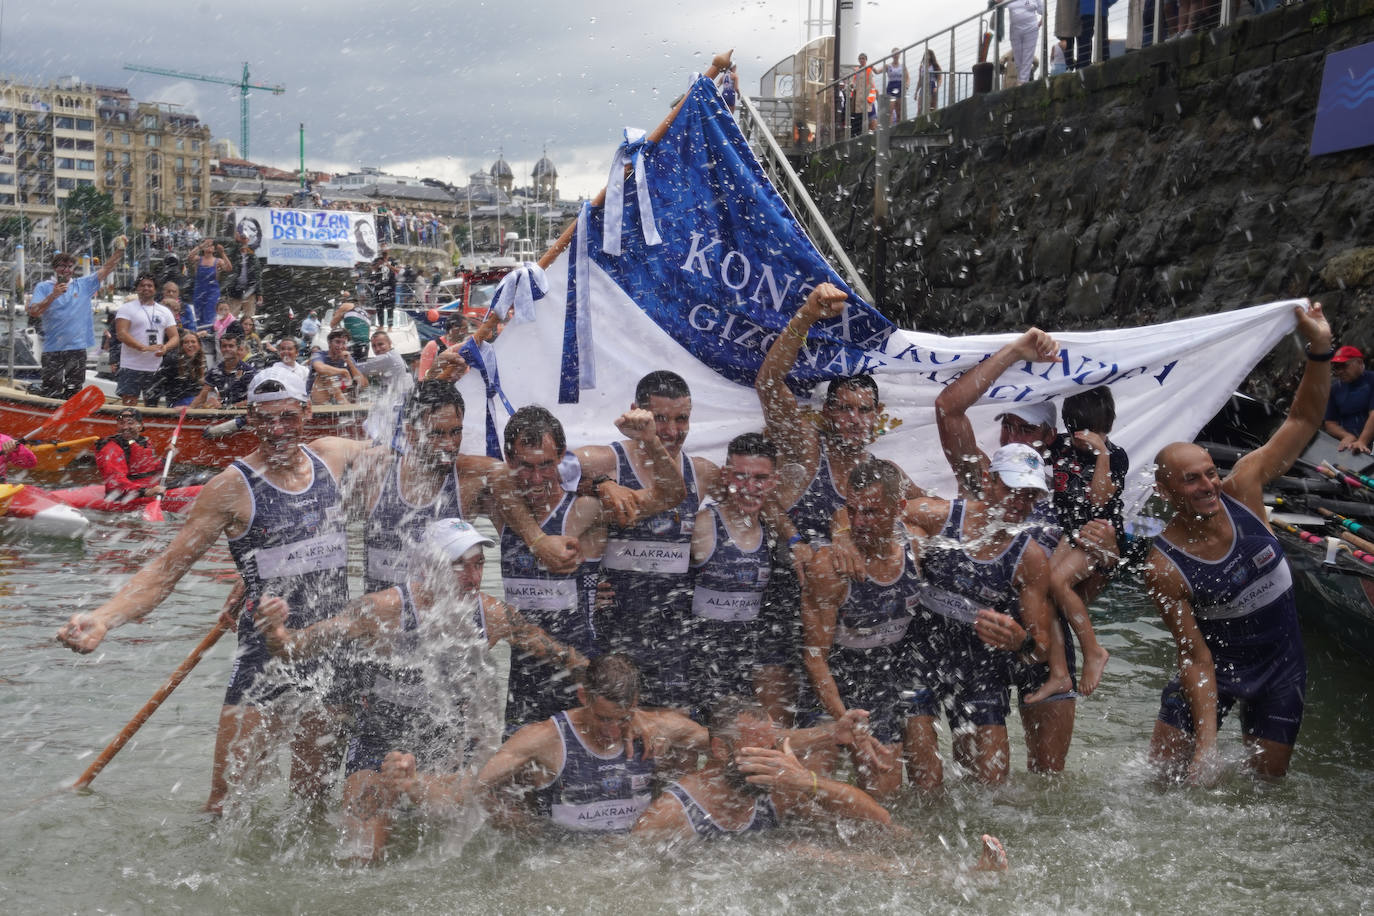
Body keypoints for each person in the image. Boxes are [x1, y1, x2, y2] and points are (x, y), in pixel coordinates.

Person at [57, 366, 368, 813]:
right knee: (226, 802)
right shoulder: (229, 488)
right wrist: (105, 617)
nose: (277, 430)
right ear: (249, 419)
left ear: (307, 411)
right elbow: (166, 570)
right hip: (264, 657)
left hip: (330, 647)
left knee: (313, 802)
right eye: (264, 419)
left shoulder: (333, 456)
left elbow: (404, 447)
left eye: (287, 417)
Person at [257, 517, 591, 863]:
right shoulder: (385, 610)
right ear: (429, 567)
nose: (473, 578)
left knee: (513, 840)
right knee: (360, 857)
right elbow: (298, 647)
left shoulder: (490, 614)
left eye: (479, 565)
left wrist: (597, 675)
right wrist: (275, 633)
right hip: (380, 746)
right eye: (459, 566)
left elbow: (554, 651)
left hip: (448, 752)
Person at [1145, 303, 1330, 786]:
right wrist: (1207, 747)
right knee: (1163, 783)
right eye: (1192, 480)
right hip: (1215, 668)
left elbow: (1305, 419)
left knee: (1266, 788)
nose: (1209, 485)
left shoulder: (1245, 487)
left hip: (1281, 666)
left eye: (1210, 471)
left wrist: (1319, 348)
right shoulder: (1164, 566)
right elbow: (1195, 657)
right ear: (1165, 492)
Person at [496, 404, 681, 732]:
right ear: (509, 460)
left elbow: (671, 495)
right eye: (525, 466)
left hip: (581, 673)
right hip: (523, 677)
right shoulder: (502, 509)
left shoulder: (587, 510)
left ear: (562, 457)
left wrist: (651, 441)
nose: (537, 479)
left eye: (546, 465)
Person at [900, 444, 1059, 783]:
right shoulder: (939, 515)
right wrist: (910, 538)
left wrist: (1021, 641)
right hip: (919, 651)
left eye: (1030, 494)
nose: (1020, 501)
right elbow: (872, 512)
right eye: (1011, 489)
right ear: (989, 482)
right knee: (926, 781)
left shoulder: (1029, 559)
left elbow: (1041, 647)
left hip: (980, 661)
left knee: (991, 785)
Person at [801, 459, 934, 796]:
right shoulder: (830, 567)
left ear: (899, 508)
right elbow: (815, 658)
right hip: (839, 676)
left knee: (908, 791)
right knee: (827, 797)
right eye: (853, 511)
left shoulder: (917, 548)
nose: (859, 522)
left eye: (872, 512)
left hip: (891, 672)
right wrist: (847, 722)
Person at [575, 370, 707, 709]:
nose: (672, 431)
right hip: (615, 630)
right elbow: (549, 470)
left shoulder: (702, 473)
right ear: (637, 412)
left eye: (682, 419)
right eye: (659, 419)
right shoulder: (607, 461)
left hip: (675, 635)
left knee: (673, 738)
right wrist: (604, 483)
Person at [474, 653, 705, 836]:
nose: (612, 732)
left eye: (622, 718)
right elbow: (474, 785)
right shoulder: (544, 737)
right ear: (584, 696)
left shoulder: (660, 726)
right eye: (603, 719)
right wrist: (523, 828)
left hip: (631, 851)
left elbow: (721, 747)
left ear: (635, 702)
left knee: (684, 752)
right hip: (562, 855)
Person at [631, 697, 892, 839]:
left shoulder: (776, 790)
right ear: (722, 750)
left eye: (772, 747)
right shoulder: (671, 813)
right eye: (758, 750)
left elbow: (880, 823)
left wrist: (808, 781)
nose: (772, 758)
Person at [688, 433, 794, 724]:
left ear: (773, 481)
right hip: (700, 658)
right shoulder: (701, 527)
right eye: (741, 477)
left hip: (749, 657)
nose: (749, 488)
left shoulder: (775, 533)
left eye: (760, 478)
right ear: (725, 476)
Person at [1046, 386, 1128, 697]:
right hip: (1070, 532)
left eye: (1093, 431)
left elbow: (1099, 499)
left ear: (1107, 426)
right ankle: (1058, 670)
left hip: (1099, 533)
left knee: (1058, 582)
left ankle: (1093, 652)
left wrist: (1102, 454)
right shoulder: (1062, 447)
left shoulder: (1116, 456)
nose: (1084, 437)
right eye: (1077, 429)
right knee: (1046, 589)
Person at [28, 239, 126, 399]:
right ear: (55, 268)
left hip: (77, 347)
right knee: (50, 391)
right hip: (53, 348)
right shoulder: (43, 287)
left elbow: (107, 269)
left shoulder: (83, 284)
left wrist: (119, 251)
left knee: (73, 391)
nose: (66, 270)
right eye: (62, 266)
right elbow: (33, 312)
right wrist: (53, 296)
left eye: (69, 267)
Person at [114, 272, 180, 406]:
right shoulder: (127, 308)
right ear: (137, 288)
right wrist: (142, 347)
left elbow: (175, 337)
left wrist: (166, 347)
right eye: (142, 285)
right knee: (129, 404)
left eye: (150, 285)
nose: (146, 288)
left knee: (152, 405)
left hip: (154, 367)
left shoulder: (165, 311)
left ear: (155, 289)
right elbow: (121, 333)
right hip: (130, 366)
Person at [92, 406, 167, 505]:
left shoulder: (143, 442)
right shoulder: (111, 448)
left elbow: (150, 469)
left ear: (140, 426)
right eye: (121, 423)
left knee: (193, 479)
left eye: (130, 423)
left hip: (149, 490)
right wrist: (145, 492)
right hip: (125, 496)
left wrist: (167, 456)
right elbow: (116, 481)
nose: (125, 427)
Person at [1322, 345, 1374, 454]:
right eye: (1336, 367)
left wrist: (1362, 441)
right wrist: (1346, 435)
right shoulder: (1335, 389)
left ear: (1359, 362)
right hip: (1351, 446)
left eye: (1344, 365)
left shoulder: (1371, 380)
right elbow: (1330, 423)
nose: (1340, 371)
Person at [195, 331, 258, 409]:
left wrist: (229, 407)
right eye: (224, 346)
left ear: (238, 349)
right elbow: (202, 395)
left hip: (243, 414)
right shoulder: (215, 371)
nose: (227, 349)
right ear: (220, 349)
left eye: (231, 346)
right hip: (223, 413)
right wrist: (188, 409)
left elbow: (254, 398)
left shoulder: (249, 371)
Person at [149, 331, 207, 408]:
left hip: (197, 401)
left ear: (199, 345)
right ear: (181, 346)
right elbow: (156, 384)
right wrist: (152, 407)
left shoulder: (202, 360)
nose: (190, 345)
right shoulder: (172, 359)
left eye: (193, 342)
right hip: (178, 402)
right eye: (186, 342)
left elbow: (206, 386)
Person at [310, 328, 368, 405]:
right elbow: (320, 368)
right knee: (326, 375)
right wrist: (344, 371)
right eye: (337, 342)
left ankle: (346, 406)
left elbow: (363, 384)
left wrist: (349, 362)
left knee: (355, 382)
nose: (340, 346)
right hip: (318, 399)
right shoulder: (319, 354)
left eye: (344, 343)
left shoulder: (348, 358)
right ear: (329, 343)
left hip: (338, 399)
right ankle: (347, 407)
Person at [190, 239, 231, 332]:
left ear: (214, 249)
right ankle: (200, 335)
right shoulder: (198, 259)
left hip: (212, 292)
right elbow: (189, 257)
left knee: (209, 315)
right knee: (198, 315)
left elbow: (229, 268)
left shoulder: (218, 261)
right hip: (199, 291)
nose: (209, 246)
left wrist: (223, 253)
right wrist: (201, 246)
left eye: (212, 245)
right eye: (207, 245)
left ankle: (208, 335)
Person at [223, 225, 262, 321]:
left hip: (250, 291)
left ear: (248, 240)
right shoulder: (233, 253)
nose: (243, 241)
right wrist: (236, 241)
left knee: (249, 318)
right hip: (235, 290)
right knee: (231, 317)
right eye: (241, 238)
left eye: (245, 238)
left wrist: (259, 293)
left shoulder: (253, 256)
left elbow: (257, 276)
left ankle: (247, 334)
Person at [1008, 0, 1044, 85]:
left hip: (1031, 29)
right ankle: (1021, 81)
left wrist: (1040, 23)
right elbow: (997, 3)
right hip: (1015, 30)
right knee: (1018, 57)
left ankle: (1022, 82)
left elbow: (1043, 11)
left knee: (1027, 56)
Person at [331, 292, 373, 362]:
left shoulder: (346, 305)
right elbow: (367, 333)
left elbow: (332, 324)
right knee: (359, 368)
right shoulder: (365, 313)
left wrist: (337, 314)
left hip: (352, 342)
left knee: (346, 367)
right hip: (365, 344)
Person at [369, 256, 397, 331]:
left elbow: (397, 271)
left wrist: (388, 265)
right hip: (379, 292)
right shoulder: (377, 269)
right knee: (379, 309)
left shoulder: (391, 264)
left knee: (390, 309)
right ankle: (381, 325)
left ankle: (390, 326)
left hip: (389, 291)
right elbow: (372, 270)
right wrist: (377, 265)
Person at [880, 48, 907, 124]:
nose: (896, 55)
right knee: (890, 109)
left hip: (899, 86)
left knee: (899, 111)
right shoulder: (888, 66)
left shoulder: (902, 66)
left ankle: (898, 127)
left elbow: (907, 77)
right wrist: (873, 69)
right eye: (894, 54)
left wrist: (907, 85)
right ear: (892, 55)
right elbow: (878, 71)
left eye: (897, 53)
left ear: (899, 55)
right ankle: (890, 127)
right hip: (891, 86)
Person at [916, 49, 942, 115]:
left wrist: (937, 87)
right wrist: (916, 92)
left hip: (932, 85)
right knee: (920, 107)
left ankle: (932, 123)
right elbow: (919, 80)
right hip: (923, 86)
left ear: (931, 56)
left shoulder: (935, 66)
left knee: (932, 107)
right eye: (925, 54)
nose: (926, 56)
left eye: (928, 54)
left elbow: (939, 79)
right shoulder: (921, 67)